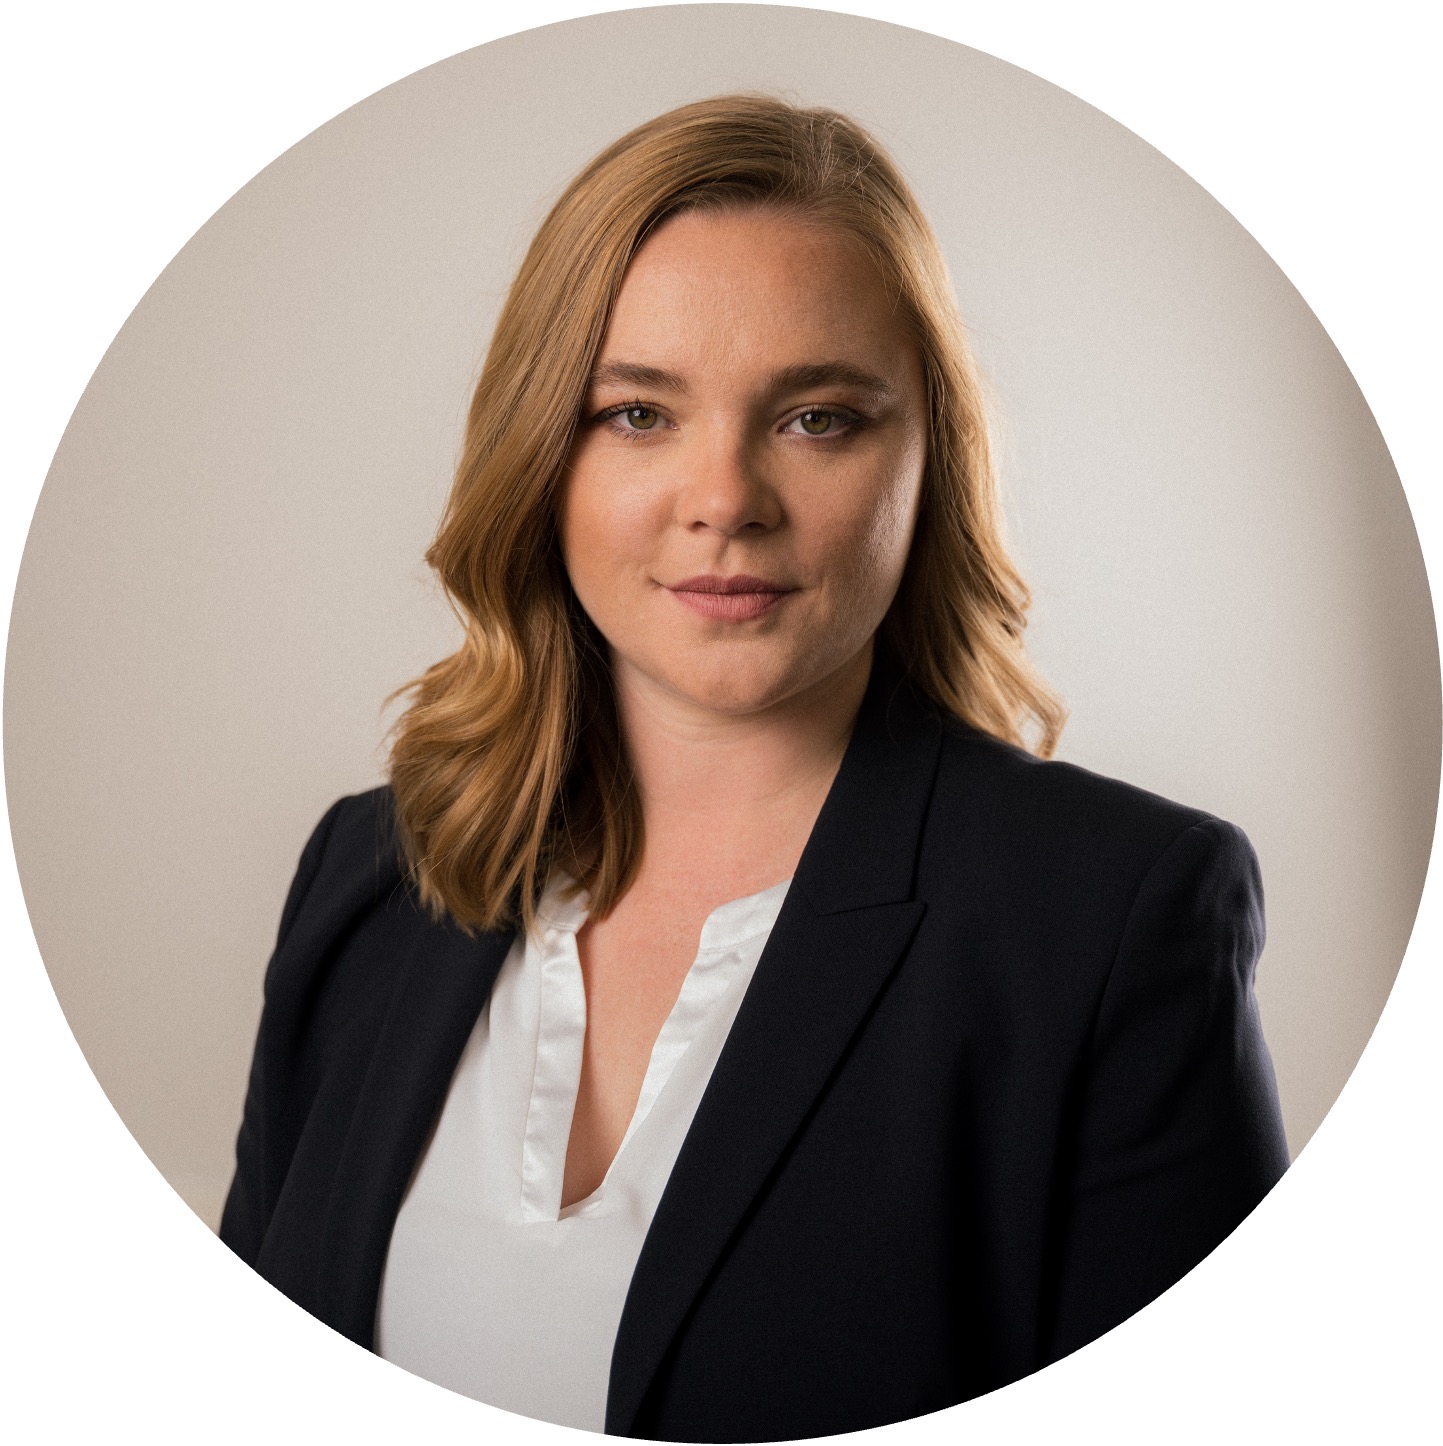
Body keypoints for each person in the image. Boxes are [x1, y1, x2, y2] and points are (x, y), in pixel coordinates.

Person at [220, 95, 1288, 1441]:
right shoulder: (368, 875)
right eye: (637, 413)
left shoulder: (1112, 922)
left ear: (927, 458)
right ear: (539, 453)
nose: (724, 498)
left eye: (818, 418)